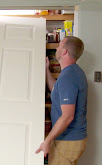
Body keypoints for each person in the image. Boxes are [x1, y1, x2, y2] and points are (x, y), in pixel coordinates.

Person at [36, 36, 87, 165]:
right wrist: (47, 69)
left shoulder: (68, 77)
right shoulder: (73, 72)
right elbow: (56, 89)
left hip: (67, 141)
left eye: (59, 46)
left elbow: (67, 116)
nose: (57, 49)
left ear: (64, 51)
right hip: (70, 139)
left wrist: (47, 141)